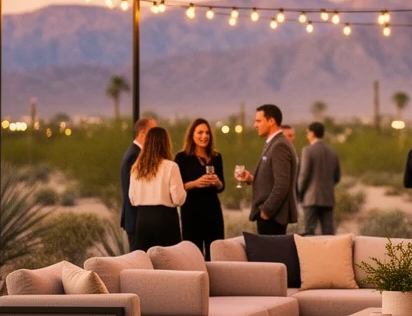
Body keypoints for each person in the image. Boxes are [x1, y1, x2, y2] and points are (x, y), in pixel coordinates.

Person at [235, 104, 299, 235]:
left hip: (273, 217)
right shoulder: (273, 143)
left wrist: (266, 211)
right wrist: (250, 178)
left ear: (271, 121)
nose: (255, 125)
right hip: (271, 215)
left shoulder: (279, 145)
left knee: (270, 255)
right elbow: (270, 179)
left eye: (258, 121)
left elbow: (282, 185)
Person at [128, 126, 186, 251]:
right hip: (165, 219)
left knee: (146, 263)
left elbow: (132, 199)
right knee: (168, 263)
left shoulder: (136, 168)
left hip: (142, 219)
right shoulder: (171, 166)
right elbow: (178, 199)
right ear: (166, 144)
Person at [174, 118, 225, 258]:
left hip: (212, 210)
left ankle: (216, 280)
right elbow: (178, 187)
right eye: (200, 132)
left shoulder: (216, 157)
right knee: (193, 252)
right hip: (192, 210)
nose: (204, 136)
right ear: (192, 135)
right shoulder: (181, 158)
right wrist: (195, 183)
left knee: (215, 250)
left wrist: (217, 182)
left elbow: (222, 187)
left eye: (207, 133)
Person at [297, 121, 341, 235]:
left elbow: (304, 175)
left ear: (312, 133)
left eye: (307, 132)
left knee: (309, 231)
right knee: (328, 233)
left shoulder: (308, 150)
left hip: (311, 198)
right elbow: (337, 177)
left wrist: (300, 193)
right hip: (328, 197)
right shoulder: (333, 152)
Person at [119, 116, 156, 249]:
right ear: (142, 133)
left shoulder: (136, 153)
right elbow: (132, 192)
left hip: (139, 221)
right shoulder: (134, 155)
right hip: (136, 221)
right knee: (140, 263)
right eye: (153, 132)